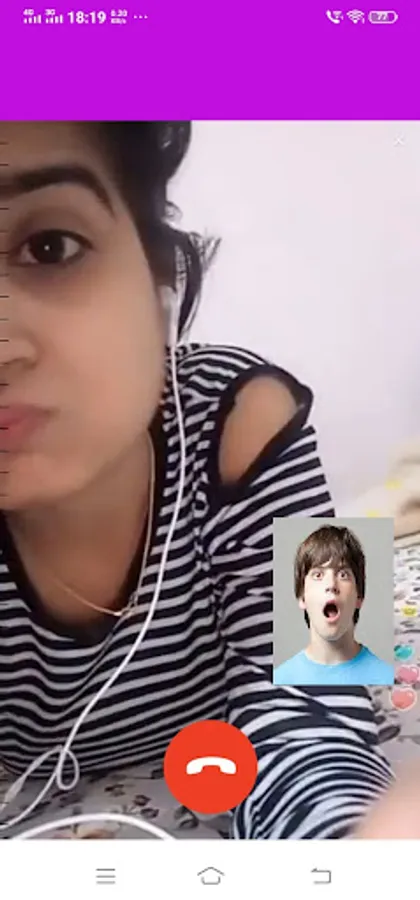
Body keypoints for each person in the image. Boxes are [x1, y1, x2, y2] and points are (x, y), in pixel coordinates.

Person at [0, 121, 394, 840]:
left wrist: (348, 860)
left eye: (49, 246)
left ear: (158, 277)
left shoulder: (253, 413)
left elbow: (328, 684)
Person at [273, 525, 394, 686]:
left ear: (359, 597)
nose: (331, 584)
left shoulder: (386, 679)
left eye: (343, 575)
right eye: (318, 575)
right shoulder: (280, 681)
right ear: (302, 597)